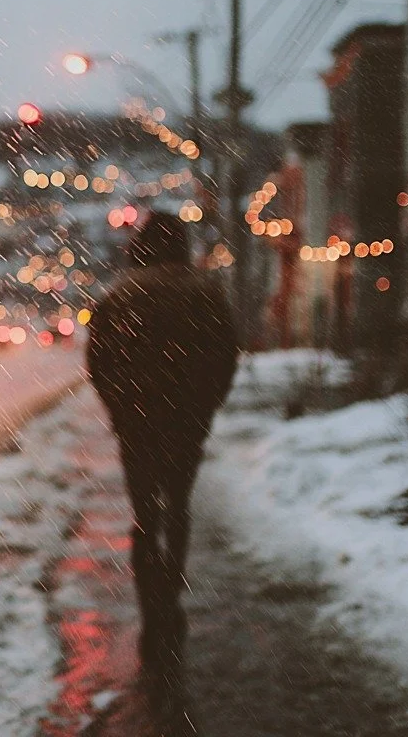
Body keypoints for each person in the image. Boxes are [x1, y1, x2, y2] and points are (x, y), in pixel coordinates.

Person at [86, 211, 238, 686]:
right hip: (185, 420)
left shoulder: (120, 295)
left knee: (145, 517)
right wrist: (204, 406)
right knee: (178, 507)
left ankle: (151, 607)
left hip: (139, 423)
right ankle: (171, 590)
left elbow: (100, 361)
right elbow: (225, 355)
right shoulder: (204, 292)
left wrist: (120, 411)